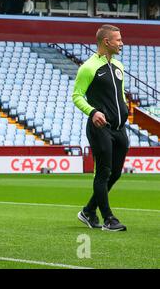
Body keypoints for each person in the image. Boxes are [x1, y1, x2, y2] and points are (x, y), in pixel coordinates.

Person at [72, 24, 129, 232]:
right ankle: (108, 219)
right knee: (103, 172)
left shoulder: (119, 66)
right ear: (107, 42)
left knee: (115, 174)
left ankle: (88, 210)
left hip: (120, 128)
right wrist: (93, 112)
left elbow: (119, 94)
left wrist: (124, 109)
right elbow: (76, 96)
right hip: (100, 128)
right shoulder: (88, 67)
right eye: (118, 40)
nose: (121, 43)